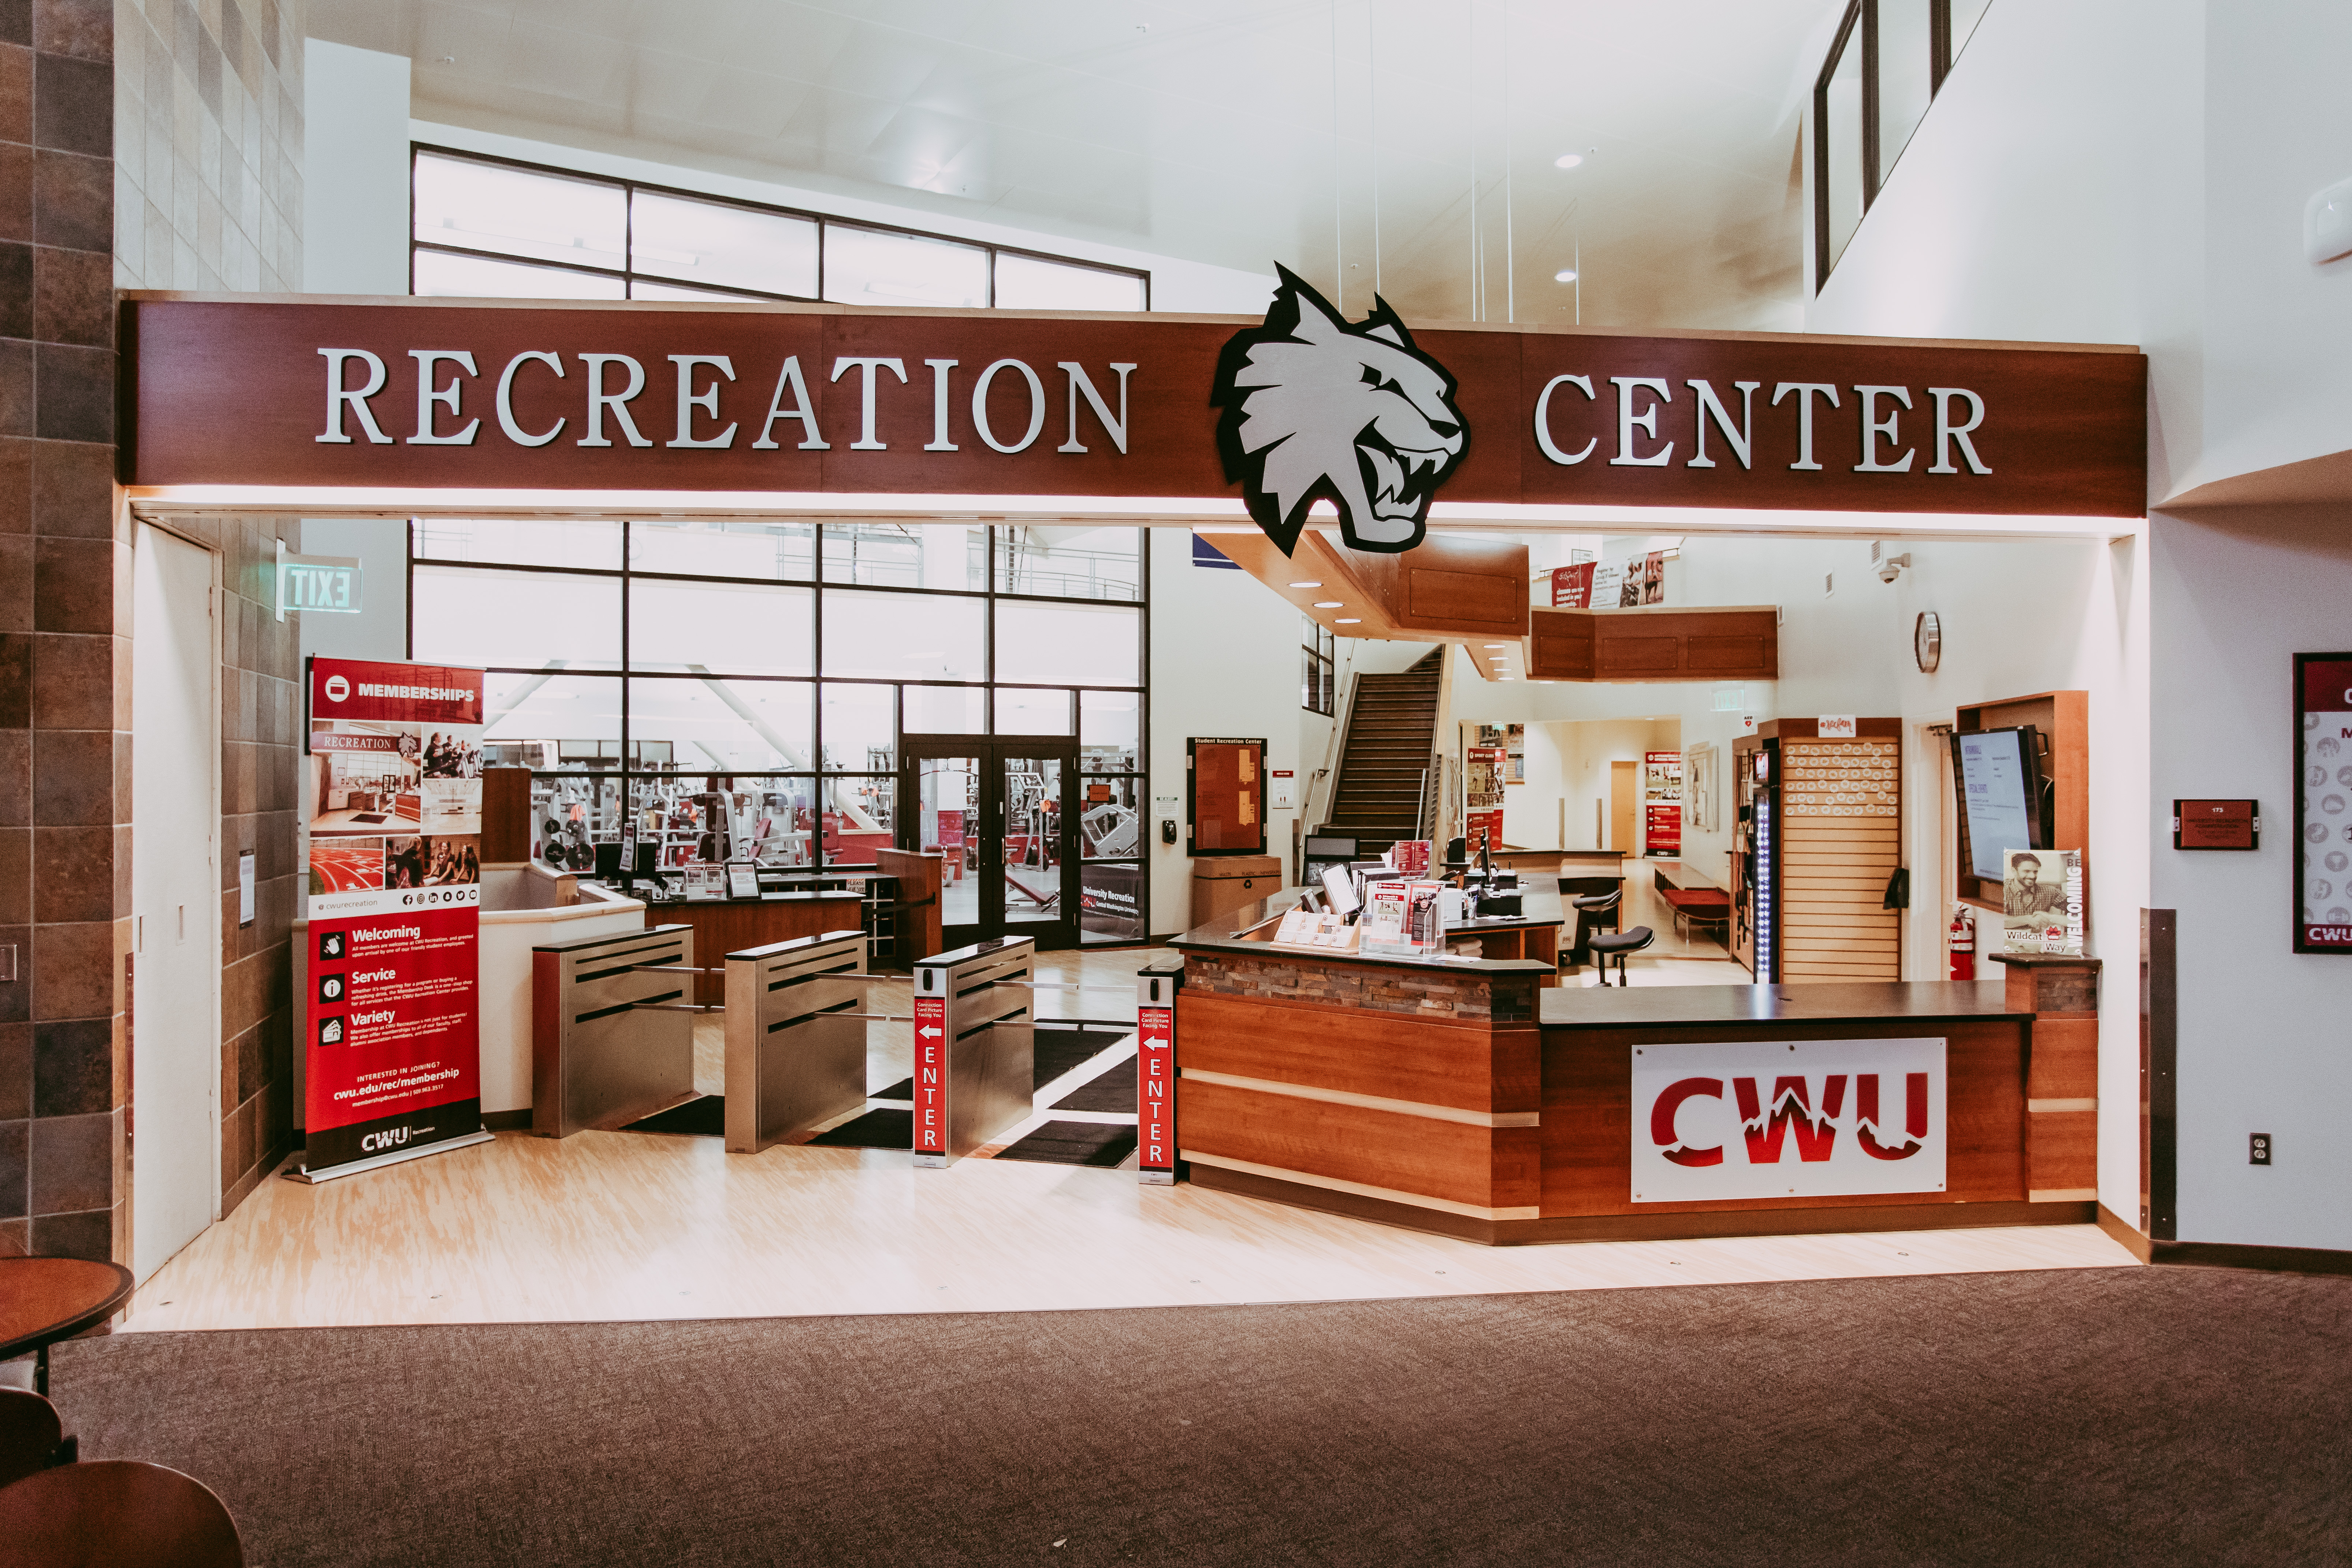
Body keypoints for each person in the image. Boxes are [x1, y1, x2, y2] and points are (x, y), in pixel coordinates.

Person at [2003, 851, 2068, 928]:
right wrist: (2026, 919)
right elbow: (1997, 919)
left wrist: (2050, 917)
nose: (2033, 876)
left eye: (2035, 872)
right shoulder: (2003, 889)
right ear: (2014, 871)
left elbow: (2076, 907)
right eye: (2027, 871)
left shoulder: (2048, 891)